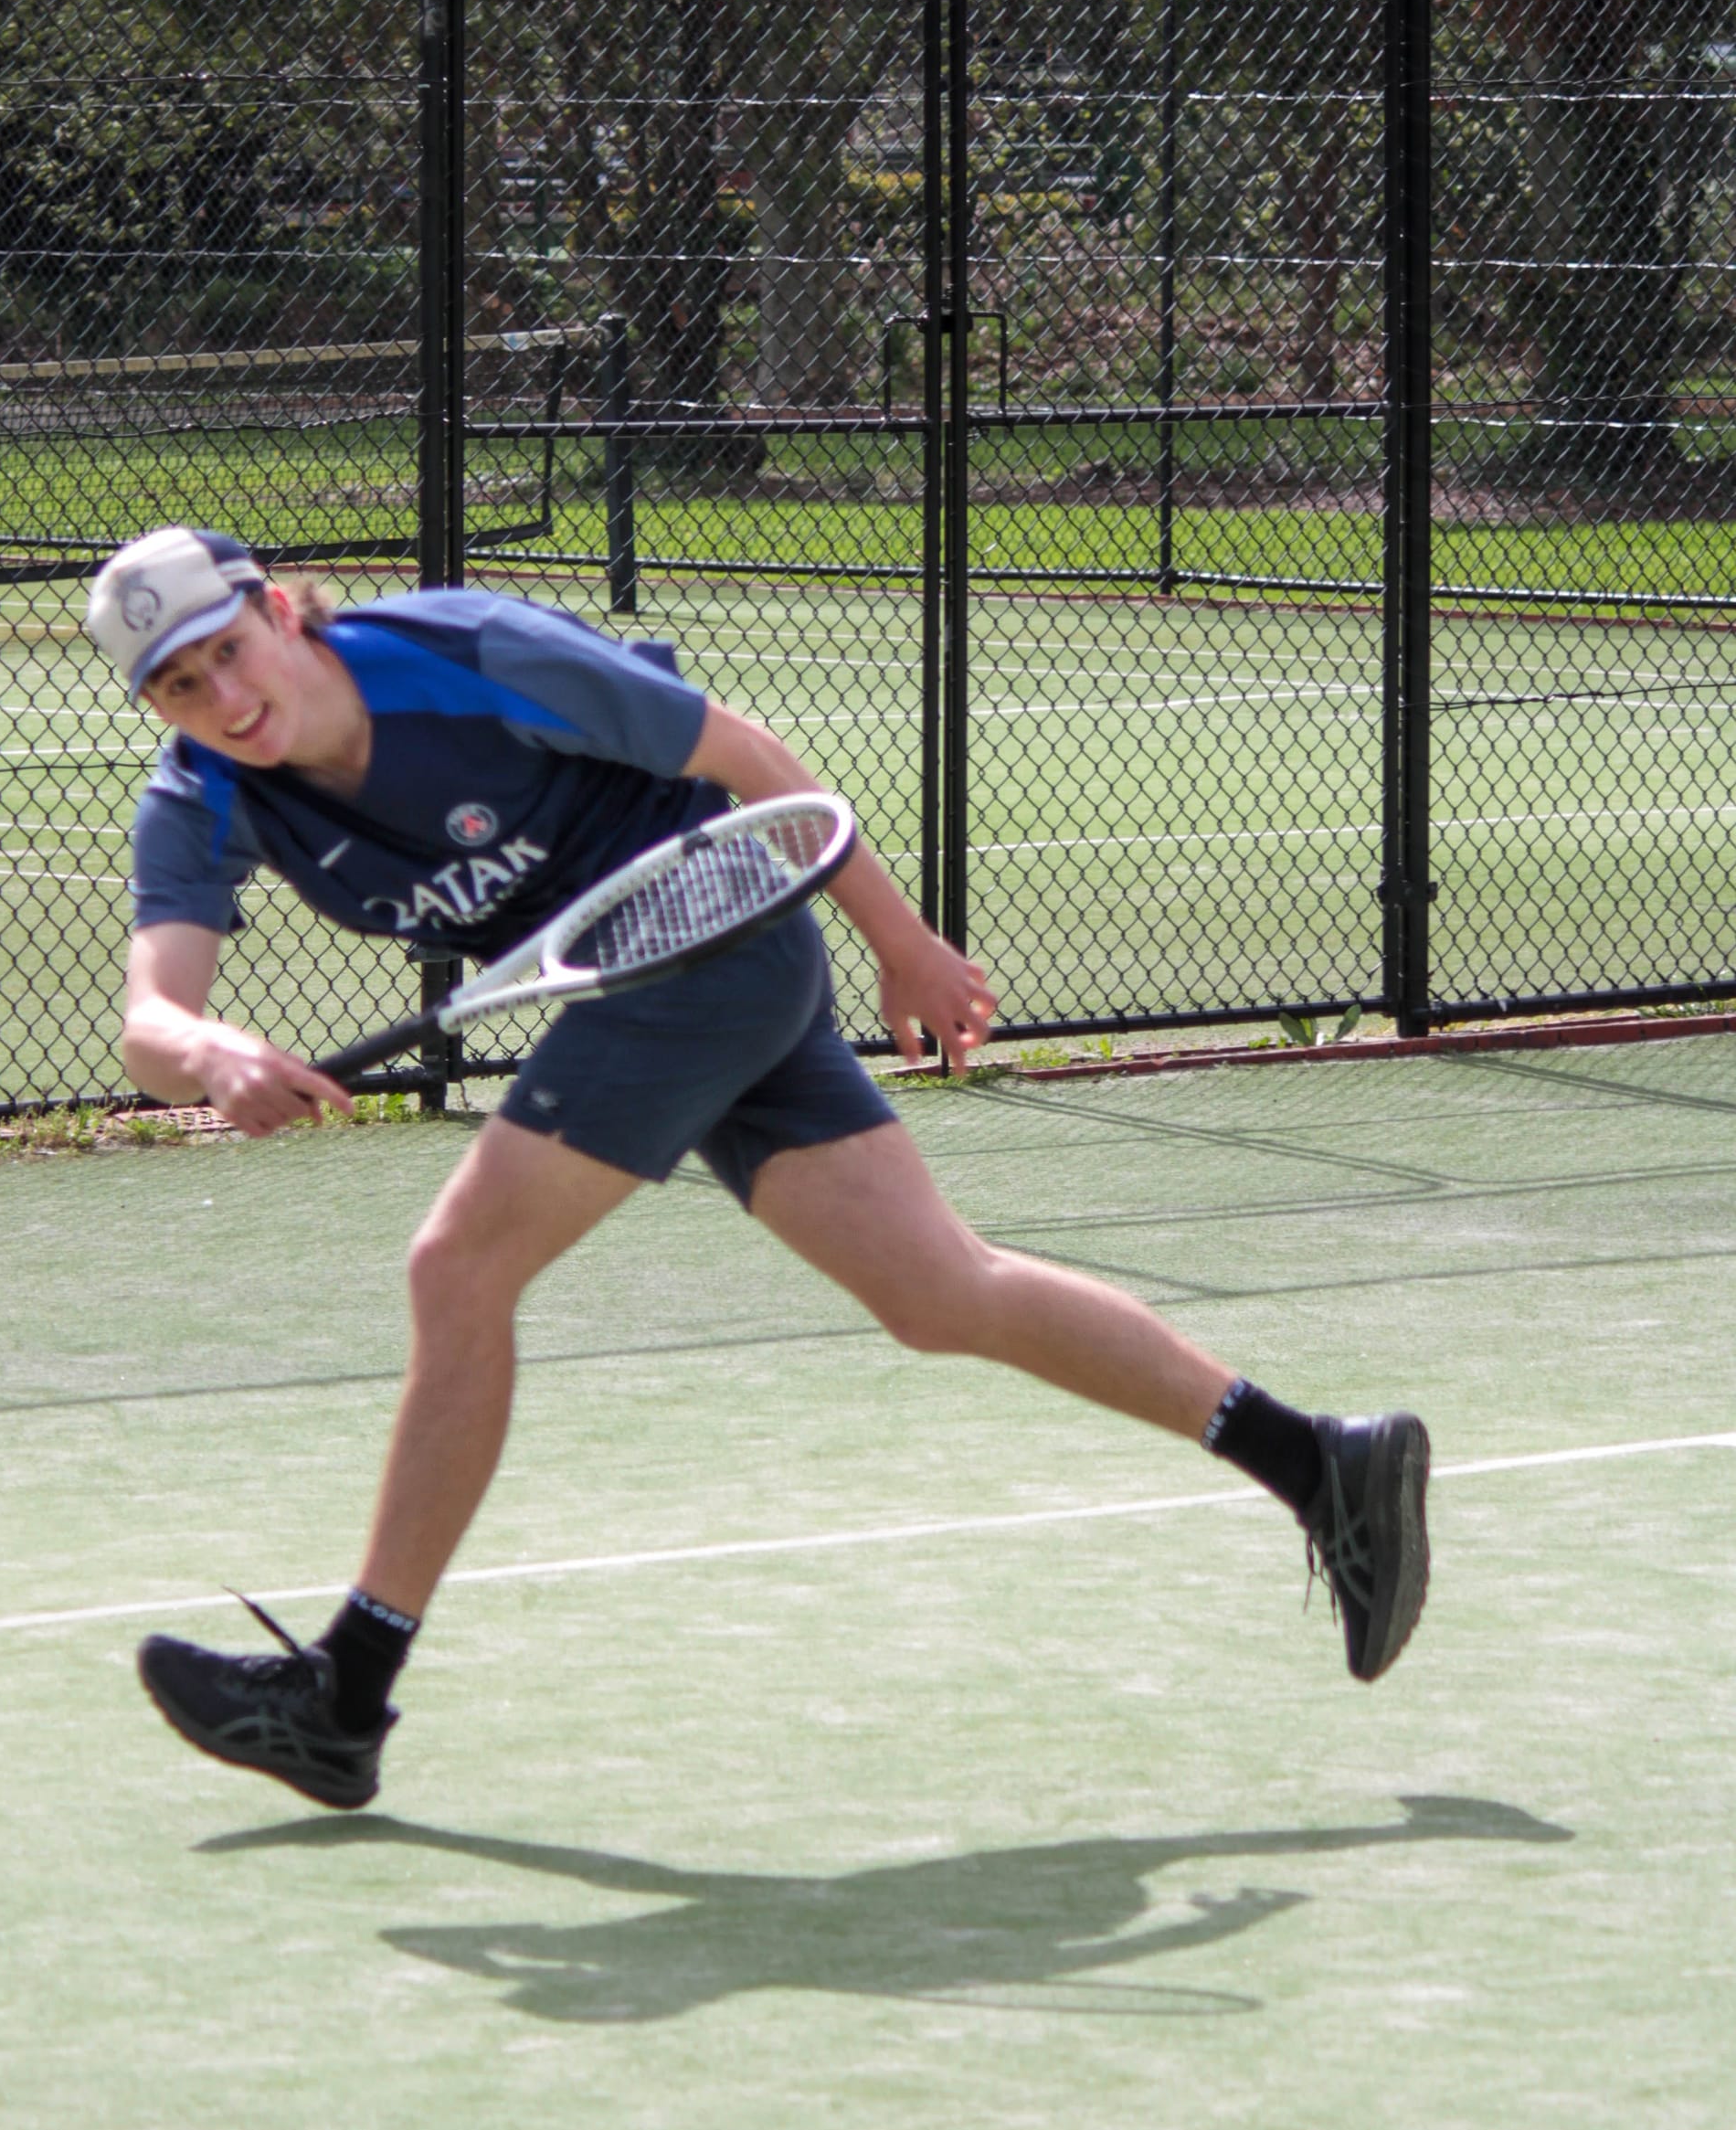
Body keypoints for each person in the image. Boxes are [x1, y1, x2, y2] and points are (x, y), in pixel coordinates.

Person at [90, 524, 1432, 1812]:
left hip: (721, 937)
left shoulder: (466, 654)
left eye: (224, 650)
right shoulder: (203, 795)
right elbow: (153, 1019)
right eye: (177, 685)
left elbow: (747, 756)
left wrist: (904, 944)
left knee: (459, 1266)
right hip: (632, 985)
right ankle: (1321, 1462)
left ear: (279, 612)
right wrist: (212, 1055)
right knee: (940, 1295)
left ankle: (347, 1698)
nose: (220, 696)